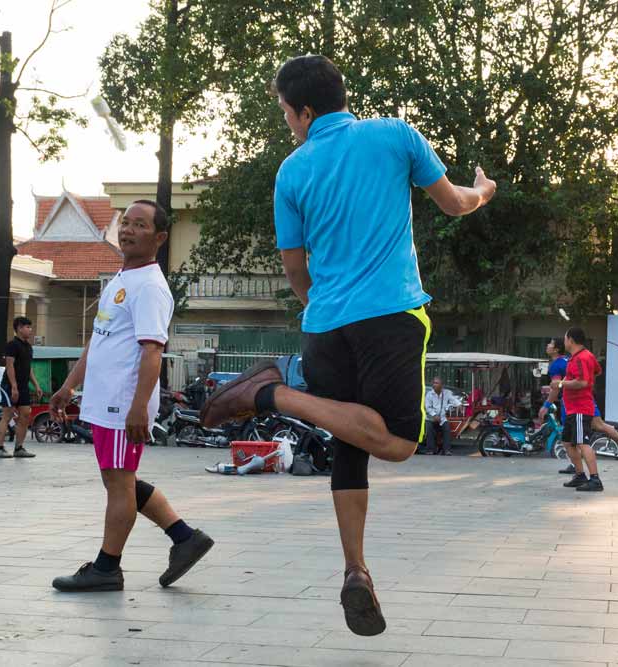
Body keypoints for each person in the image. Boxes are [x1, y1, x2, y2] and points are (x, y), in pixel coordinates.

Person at [197, 55, 496, 636]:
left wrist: (320, 308)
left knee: (352, 441)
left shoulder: (292, 170)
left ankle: (356, 571)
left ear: (305, 111)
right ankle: (275, 396)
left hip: (325, 326)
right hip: (390, 316)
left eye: (285, 112)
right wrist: (482, 190)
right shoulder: (394, 134)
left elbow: (294, 266)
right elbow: (455, 203)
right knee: (402, 443)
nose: (287, 122)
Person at [49, 200, 214, 592]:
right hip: (106, 401)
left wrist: (139, 406)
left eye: (139, 225)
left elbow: (152, 351)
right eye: (125, 223)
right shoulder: (122, 280)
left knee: (119, 483)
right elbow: (98, 342)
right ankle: (184, 537)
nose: (128, 230)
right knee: (120, 479)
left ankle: (107, 568)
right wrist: (69, 385)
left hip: (123, 404)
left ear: (158, 238)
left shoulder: (151, 288)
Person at [557, 327, 606, 492]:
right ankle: (580, 475)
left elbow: (582, 382)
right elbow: (597, 371)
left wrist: (562, 383)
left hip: (579, 408)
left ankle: (595, 479)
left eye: (564, 339)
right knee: (567, 441)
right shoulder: (582, 357)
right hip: (572, 408)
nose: (564, 342)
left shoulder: (581, 358)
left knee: (582, 442)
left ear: (570, 340)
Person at [0, 316, 43, 459]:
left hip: (23, 386)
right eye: (27, 327)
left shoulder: (28, 347)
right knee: (7, 415)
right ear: (19, 328)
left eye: (30, 327)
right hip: (9, 385)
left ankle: (19, 448)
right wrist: (14, 387)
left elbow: (28, 368)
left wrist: (36, 385)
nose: (30, 330)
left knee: (25, 415)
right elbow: (9, 366)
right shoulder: (12, 345)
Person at [423, 377, 462, 455]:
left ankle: (446, 450)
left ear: (441, 385)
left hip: (442, 419)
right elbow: (428, 407)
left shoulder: (447, 393)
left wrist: (459, 404)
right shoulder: (429, 394)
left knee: (447, 428)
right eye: (434, 383)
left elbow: (453, 400)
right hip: (431, 418)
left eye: (436, 383)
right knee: (429, 428)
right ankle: (430, 450)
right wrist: (434, 415)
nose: (434, 385)